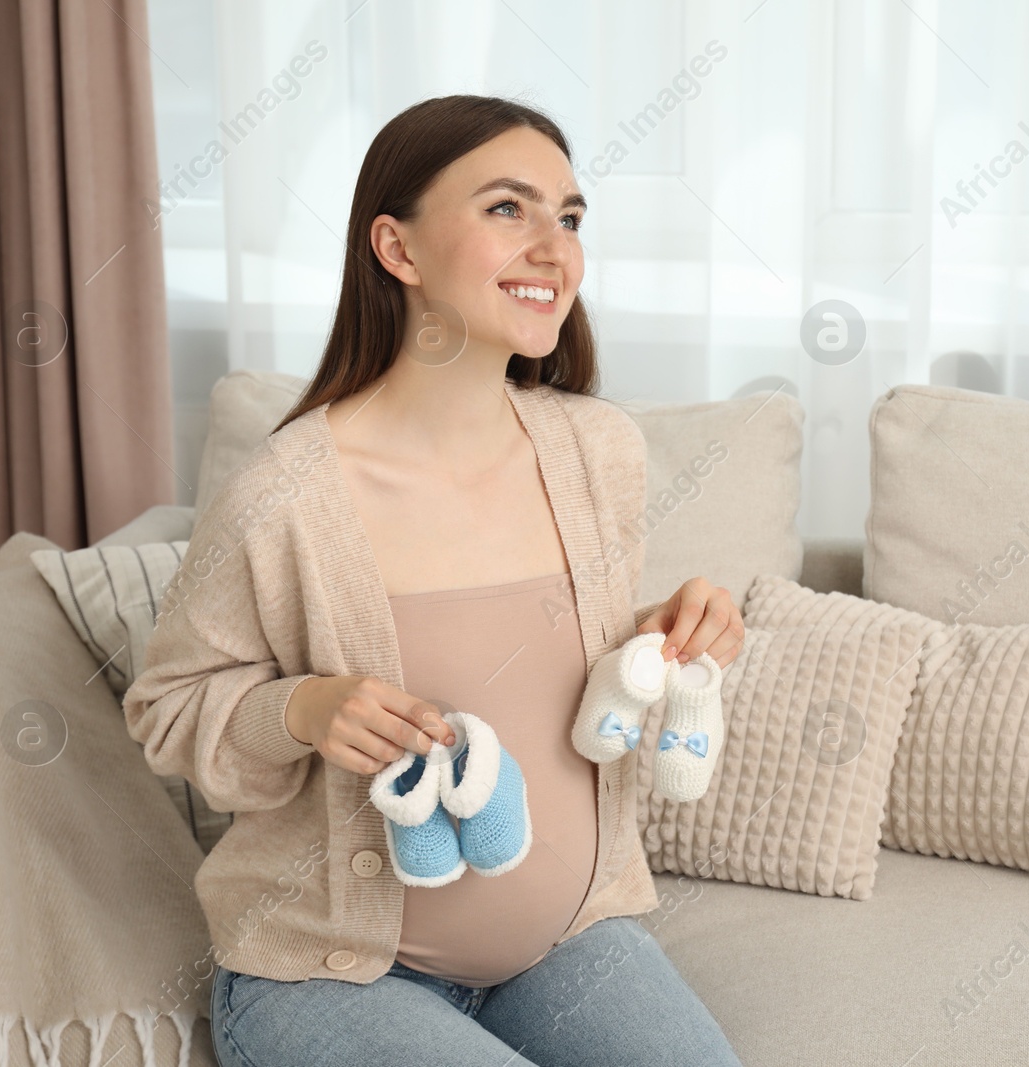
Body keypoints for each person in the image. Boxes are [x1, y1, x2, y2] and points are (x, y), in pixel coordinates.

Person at [124, 93, 747, 1066]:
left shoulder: (597, 451)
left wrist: (662, 634)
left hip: (563, 943)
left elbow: (548, 665)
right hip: (331, 973)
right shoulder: (283, 494)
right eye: (508, 209)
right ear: (398, 248)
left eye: (570, 217)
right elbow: (169, 708)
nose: (555, 247)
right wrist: (307, 707)